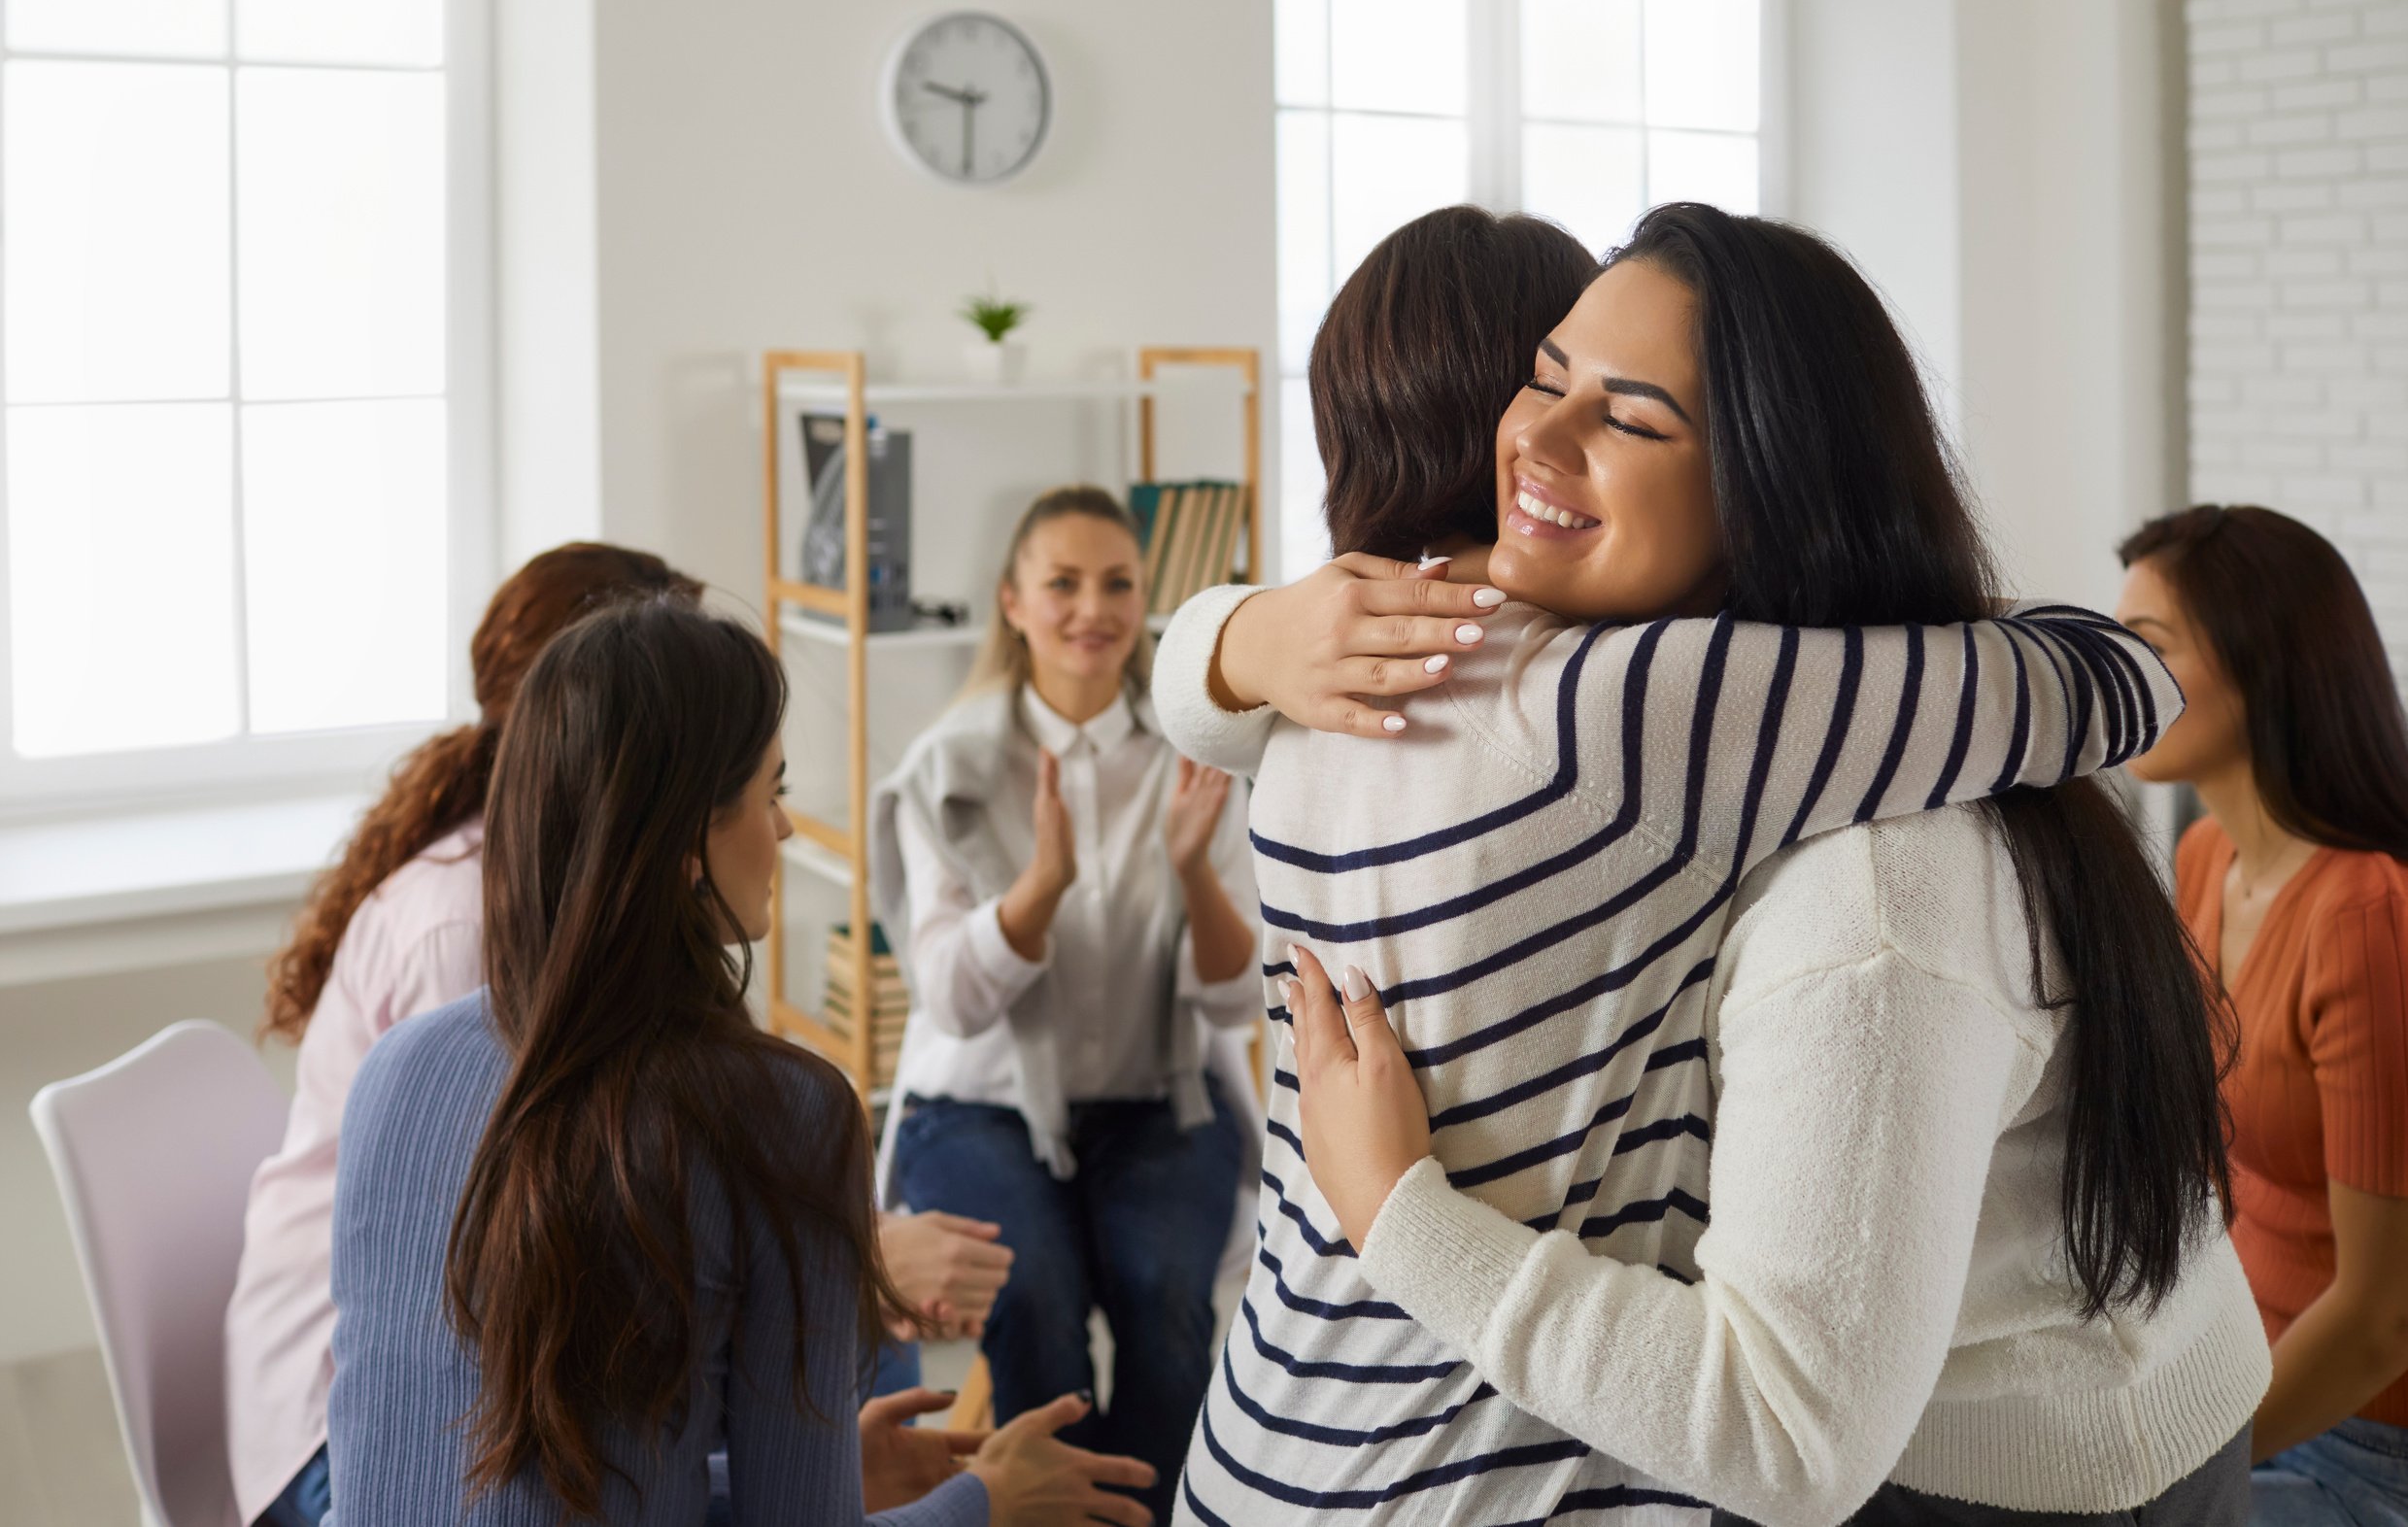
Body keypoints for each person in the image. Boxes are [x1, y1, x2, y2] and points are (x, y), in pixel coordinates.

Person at [1165, 205, 2265, 1524]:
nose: (1533, 440)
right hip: (2015, 1406)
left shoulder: (1848, 863)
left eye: (1630, 419)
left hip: (2000, 1467)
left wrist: (1239, 638)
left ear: (1765, 481)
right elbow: (2112, 673)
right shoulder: (1679, 718)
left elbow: (1786, 1438)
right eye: (1543, 378)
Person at [226, 543, 1010, 1527]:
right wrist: (987, 1504)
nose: (787, 830)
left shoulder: (401, 1071)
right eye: (770, 793)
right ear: (686, 838)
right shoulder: (794, 1111)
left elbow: (518, 1474)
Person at [869, 486, 1264, 1527]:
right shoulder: (946, 769)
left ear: (1147, 600)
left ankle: (1156, 1515)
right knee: (1034, 1302)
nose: (1093, 607)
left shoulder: (1200, 756)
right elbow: (950, 1000)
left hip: (1159, 1098)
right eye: (1062, 583)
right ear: (1011, 601)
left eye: (1118, 583)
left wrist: (1193, 872)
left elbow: (1233, 997)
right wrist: (1037, 888)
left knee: (1165, 1301)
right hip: (980, 1106)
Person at [2116, 505, 2408, 1523]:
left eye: (2146, 646)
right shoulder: (2205, 858)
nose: (2116, 674)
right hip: (2236, 1369)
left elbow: (2383, 1320)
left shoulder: (2364, 917)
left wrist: (2181, 1465)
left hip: (2359, 1445)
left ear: (2259, 663)